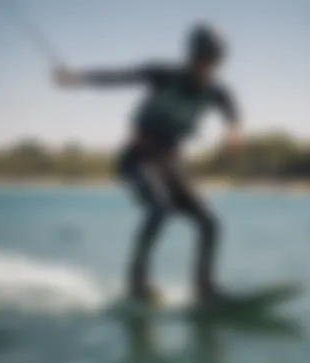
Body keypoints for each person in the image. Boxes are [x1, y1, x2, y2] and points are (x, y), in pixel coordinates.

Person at [54, 23, 242, 304]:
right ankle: (137, 283)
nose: (207, 67)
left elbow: (232, 114)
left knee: (210, 221)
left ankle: (205, 289)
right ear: (192, 57)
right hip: (137, 159)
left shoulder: (217, 92)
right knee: (160, 208)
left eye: (213, 61)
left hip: (170, 165)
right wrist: (77, 78)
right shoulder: (164, 75)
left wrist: (233, 133)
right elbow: (119, 77)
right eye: (202, 59)